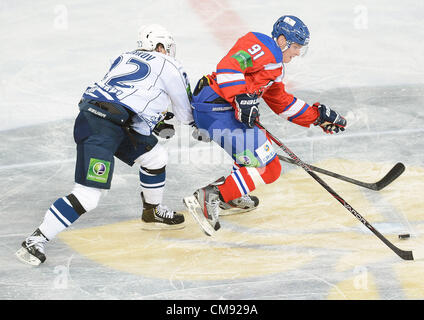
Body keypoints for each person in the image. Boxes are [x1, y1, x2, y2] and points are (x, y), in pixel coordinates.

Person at [16, 24, 194, 266]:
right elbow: (186, 114)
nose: (169, 52)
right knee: (88, 196)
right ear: (160, 46)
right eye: (167, 48)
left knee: (155, 157)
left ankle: (151, 211)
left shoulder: (123, 57)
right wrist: (206, 123)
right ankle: (35, 240)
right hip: (103, 126)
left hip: (105, 118)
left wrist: (153, 120)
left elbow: (126, 94)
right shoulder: (169, 64)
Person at [184, 15, 347, 236]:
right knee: (267, 166)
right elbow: (229, 65)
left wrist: (317, 117)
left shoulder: (276, 67)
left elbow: (281, 102)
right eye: (296, 46)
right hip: (216, 108)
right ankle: (213, 195)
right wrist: (241, 97)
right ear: (282, 40)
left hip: (224, 111)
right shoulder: (262, 45)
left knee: (265, 163)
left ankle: (230, 195)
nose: (298, 52)